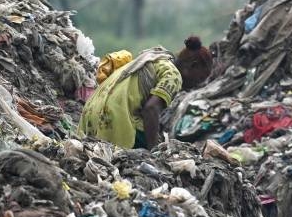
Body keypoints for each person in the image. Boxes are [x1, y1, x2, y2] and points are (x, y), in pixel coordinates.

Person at [79, 37, 211, 149]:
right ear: (193, 65)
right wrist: (153, 150)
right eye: (200, 78)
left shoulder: (156, 59)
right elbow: (151, 109)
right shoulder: (174, 76)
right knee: (159, 148)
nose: (197, 85)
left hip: (90, 115)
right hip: (112, 118)